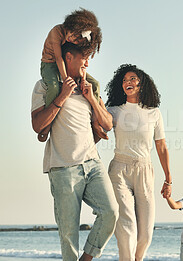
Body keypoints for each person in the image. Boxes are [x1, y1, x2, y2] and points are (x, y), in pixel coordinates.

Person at [31, 42, 118, 261]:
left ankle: (86, 259)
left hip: (92, 163)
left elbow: (108, 123)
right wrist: (62, 95)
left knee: (110, 213)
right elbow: (38, 125)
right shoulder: (45, 86)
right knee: (69, 236)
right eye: (84, 57)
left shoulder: (90, 87)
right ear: (68, 57)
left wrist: (92, 99)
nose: (88, 62)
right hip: (62, 169)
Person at [104, 64, 172, 261]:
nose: (128, 83)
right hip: (119, 169)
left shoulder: (154, 113)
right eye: (124, 80)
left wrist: (168, 178)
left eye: (132, 79)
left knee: (145, 235)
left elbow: (161, 147)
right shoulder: (114, 111)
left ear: (142, 84)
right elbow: (99, 129)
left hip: (145, 170)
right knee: (126, 228)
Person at [38, 8, 102, 142]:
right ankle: (48, 124)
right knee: (55, 87)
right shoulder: (57, 32)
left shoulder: (74, 39)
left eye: (77, 41)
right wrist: (66, 79)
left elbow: (77, 62)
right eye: (74, 36)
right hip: (50, 63)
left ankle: (95, 121)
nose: (72, 40)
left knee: (95, 84)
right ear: (72, 26)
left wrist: (83, 79)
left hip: (63, 64)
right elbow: (59, 58)